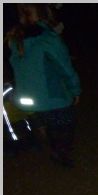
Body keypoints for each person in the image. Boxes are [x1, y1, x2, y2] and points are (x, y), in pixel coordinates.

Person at [6, 3, 81, 168]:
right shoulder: (49, 39)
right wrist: (75, 90)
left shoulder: (15, 39)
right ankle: (60, 152)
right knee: (65, 123)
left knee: (46, 119)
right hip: (51, 98)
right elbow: (65, 68)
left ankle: (44, 133)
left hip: (26, 100)